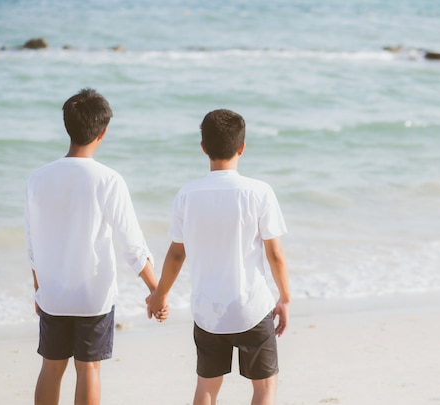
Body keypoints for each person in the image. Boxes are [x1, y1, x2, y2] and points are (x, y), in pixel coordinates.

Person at [24, 88, 167, 405]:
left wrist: (38, 290)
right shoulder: (108, 179)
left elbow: (32, 244)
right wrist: (157, 292)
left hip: (53, 294)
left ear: (67, 126)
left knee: (51, 366)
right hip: (94, 297)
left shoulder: (38, 178)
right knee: (89, 368)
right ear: (103, 133)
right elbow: (132, 244)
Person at [148, 109, 290, 405]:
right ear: (242, 147)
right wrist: (285, 297)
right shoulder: (259, 192)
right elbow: (274, 254)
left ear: (203, 148)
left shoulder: (187, 195)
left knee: (207, 386)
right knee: (265, 386)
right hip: (252, 307)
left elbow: (176, 255)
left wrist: (160, 295)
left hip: (208, 311)